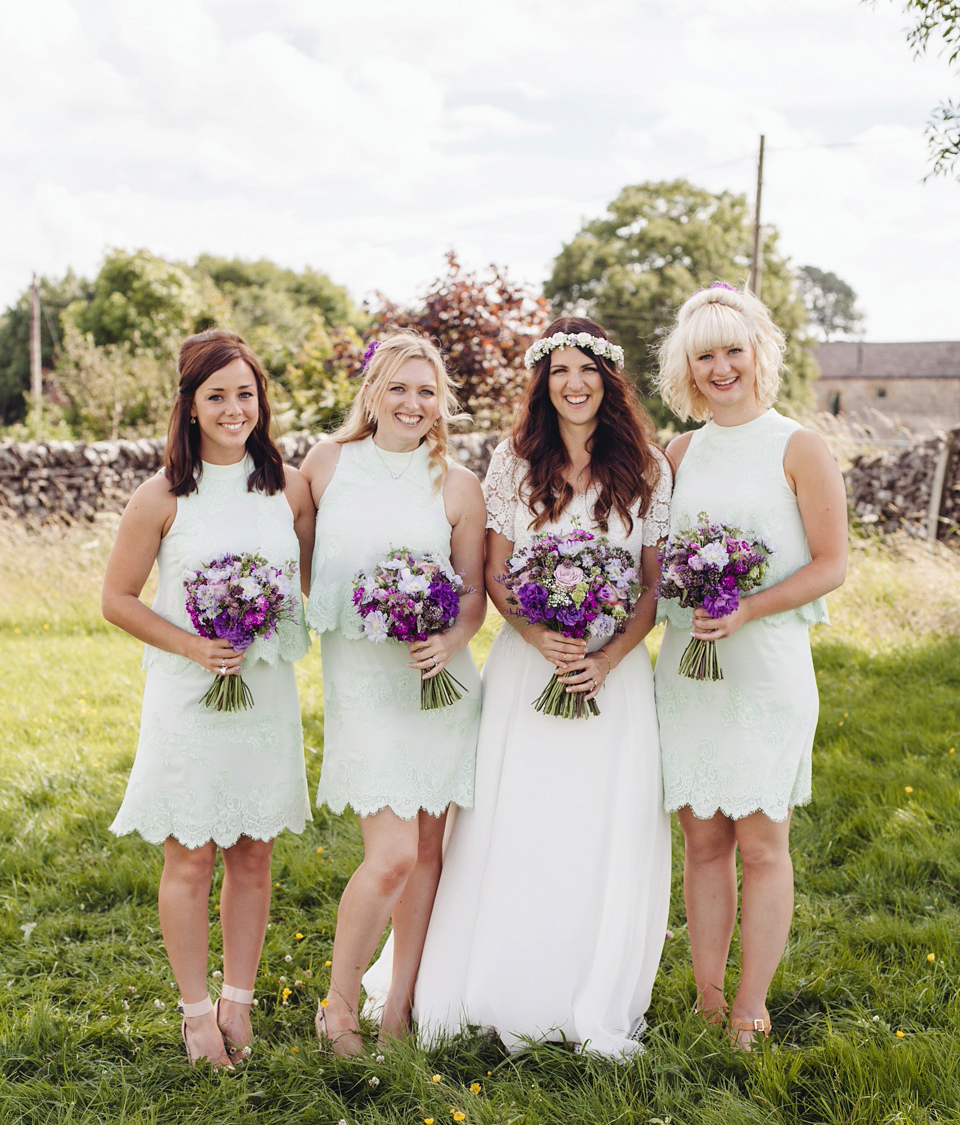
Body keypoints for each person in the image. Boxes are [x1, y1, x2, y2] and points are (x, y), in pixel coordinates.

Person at [400, 315, 673, 1060]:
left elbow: (652, 587)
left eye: (588, 370)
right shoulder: (513, 464)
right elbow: (493, 571)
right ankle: (493, 980)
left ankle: (583, 987)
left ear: (609, 380)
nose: (574, 384)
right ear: (543, 384)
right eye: (559, 372)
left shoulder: (649, 467)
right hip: (529, 670)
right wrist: (537, 634)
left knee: (598, 825)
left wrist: (608, 657)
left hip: (612, 678)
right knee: (512, 820)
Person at [103, 330, 315, 1068]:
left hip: (263, 693)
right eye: (216, 396)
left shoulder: (288, 489)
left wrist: (264, 624)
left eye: (244, 394)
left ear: (262, 400)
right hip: (189, 695)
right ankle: (196, 1015)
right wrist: (197, 646)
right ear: (190, 407)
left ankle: (240, 1002)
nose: (233, 408)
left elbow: (304, 583)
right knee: (190, 855)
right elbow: (116, 600)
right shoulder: (161, 495)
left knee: (253, 850)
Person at [654, 283, 847, 1048]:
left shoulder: (799, 445)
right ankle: (706, 998)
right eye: (706, 354)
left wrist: (747, 608)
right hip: (689, 670)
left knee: (763, 845)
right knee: (703, 842)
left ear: (759, 353)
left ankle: (750, 1008)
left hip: (766, 668)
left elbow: (831, 565)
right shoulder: (678, 453)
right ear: (688, 367)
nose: (722, 366)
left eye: (734, 349)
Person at [302, 330, 485, 1057]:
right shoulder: (325, 466)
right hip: (365, 687)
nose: (413, 403)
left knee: (430, 852)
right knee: (392, 857)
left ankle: (399, 1006)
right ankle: (339, 1006)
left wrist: (447, 637)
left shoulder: (459, 485)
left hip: (439, 685)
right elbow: (300, 564)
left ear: (440, 402)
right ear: (372, 392)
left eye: (427, 390)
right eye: (399, 388)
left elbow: (473, 596)